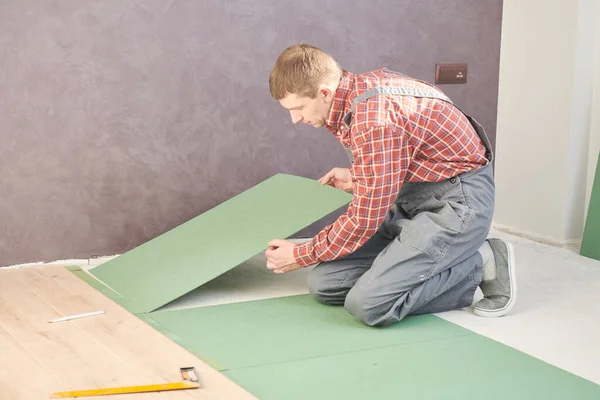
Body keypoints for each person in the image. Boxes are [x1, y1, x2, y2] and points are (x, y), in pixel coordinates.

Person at [264, 44, 517, 327]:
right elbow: (406, 155)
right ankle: (399, 273)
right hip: (413, 202)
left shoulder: (374, 120)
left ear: (324, 92)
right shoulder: (358, 93)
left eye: (298, 108)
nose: (295, 119)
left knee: (369, 305)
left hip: (457, 207)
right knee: (325, 284)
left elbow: (364, 219)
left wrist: (301, 254)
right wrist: (358, 175)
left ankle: (480, 262)